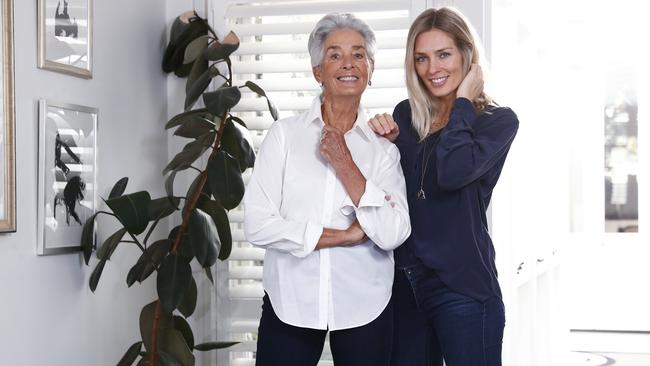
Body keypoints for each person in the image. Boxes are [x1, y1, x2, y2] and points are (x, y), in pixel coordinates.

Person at [244, 13, 411, 366]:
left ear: (370, 68)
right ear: (317, 71)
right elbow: (258, 224)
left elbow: (393, 231)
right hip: (289, 302)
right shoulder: (284, 136)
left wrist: (344, 162)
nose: (348, 63)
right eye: (335, 55)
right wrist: (342, 236)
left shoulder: (383, 149)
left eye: (358, 54)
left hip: (366, 305)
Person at [368, 7, 519, 366]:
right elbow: (395, 192)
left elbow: (452, 172)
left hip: (463, 287)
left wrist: (463, 102)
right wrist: (385, 145)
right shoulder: (406, 115)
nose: (432, 68)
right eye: (422, 58)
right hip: (404, 285)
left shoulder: (497, 121)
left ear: (467, 55)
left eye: (444, 54)